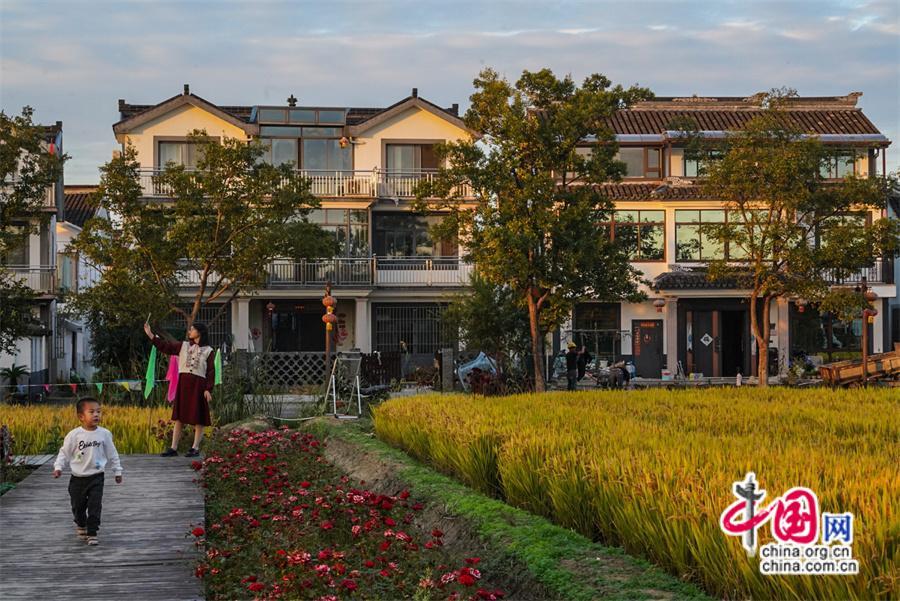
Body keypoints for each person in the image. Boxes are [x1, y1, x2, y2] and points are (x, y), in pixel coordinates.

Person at [53, 397, 123, 546]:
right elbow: (64, 453)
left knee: (94, 506)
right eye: (91, 412)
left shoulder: (104, 434)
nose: (96, 414)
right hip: (77, 478)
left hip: (97, 477)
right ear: (81, 416)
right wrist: (58, 467)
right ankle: (80, 523)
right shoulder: (74, 435)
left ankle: (92, 532)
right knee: (78, 506)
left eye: (99, 411)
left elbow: (112, 453)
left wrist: (117, 471)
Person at [144, 321, 214, 457]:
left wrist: (208, 389)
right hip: (184, 385)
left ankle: (195, 448)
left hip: (199, 386)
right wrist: (150, 335)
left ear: (199, 332)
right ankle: (173, 448)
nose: (189, 331)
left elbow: (211, 371)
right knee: (179, 417)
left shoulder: (208, 351)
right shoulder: (183, 346)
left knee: (199, 417)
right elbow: (166, 347)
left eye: (192, 329)